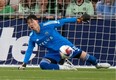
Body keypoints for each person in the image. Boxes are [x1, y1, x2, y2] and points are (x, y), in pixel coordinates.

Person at [18, 14, 110, 70]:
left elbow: (62, 21)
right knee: (43, 65)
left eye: (32, 22)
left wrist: (78, 19)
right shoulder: (32, 37)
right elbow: (29, 49)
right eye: (28, 23)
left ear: (37, 21)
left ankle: (97, 64)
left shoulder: (47, 25)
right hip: (54, 54)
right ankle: (64, 67)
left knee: (89, 58)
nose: (30, 24)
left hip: (67, 48)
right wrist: (24, 63)